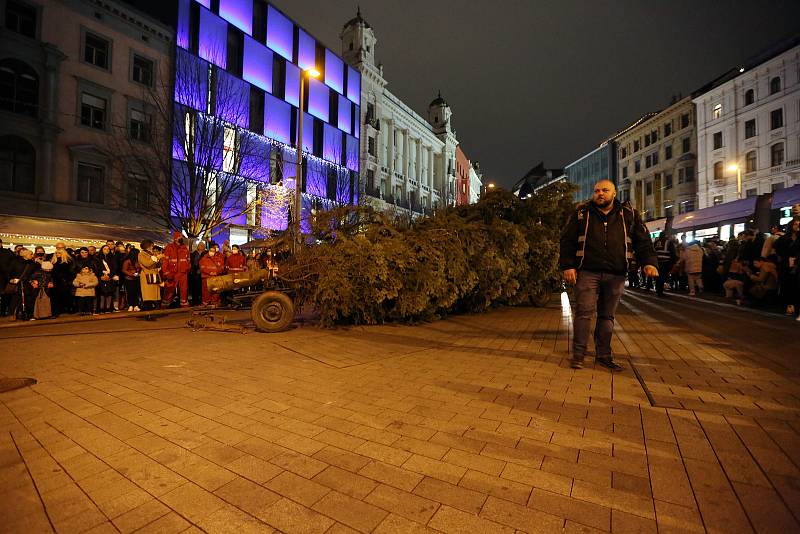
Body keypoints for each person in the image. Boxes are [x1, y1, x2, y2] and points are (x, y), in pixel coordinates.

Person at [560, 180, 658, 370]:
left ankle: (604, 354)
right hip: (587, 271)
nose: (600, 194)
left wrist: (649, 262)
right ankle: (578, 355)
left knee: (607, 316)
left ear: (614, 193)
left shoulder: (628, 214)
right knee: (584, 313)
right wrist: (568, 266)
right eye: (597, 190)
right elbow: (567, 241)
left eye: (605, 190)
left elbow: (643, 241)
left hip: (616, 273)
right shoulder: (582, 213)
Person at [774, 219, 799, 316]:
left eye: (799, 224)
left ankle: (795, 306)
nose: (797, 226)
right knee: (786, 284)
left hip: (797, 264)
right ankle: (787, 305)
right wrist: (783, 257)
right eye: (795, 224)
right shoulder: (784, 238)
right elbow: (776, 247)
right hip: (785, 264)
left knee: (796, 285)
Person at [161, 231, 191, 308]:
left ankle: (184, 304)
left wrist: (187, 268)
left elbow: (188, 260)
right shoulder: (169, 247)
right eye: (179, 237)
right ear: (175, 238)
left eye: (181, 237)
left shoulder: (185, 248)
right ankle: (165, 304)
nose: (180, 239)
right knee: (169, 289)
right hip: (172, 272)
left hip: (183, 272)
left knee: (184, 289)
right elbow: (165, 261)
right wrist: (167, 273)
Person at [50, 243, 74, 316]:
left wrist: (67, 280)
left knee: (65, 296)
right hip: (55, 281)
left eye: (59, 253)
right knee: (55, 297)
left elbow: (70, 272)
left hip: (64, 282)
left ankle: (67, 309)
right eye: (56, 253)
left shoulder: (68, 262)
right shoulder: (53, 262)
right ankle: (57, 311)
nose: (57, 254)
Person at [138, 240, 162, 311]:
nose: (152, 247)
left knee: (153, 295)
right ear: (147, 246)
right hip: (147, 276)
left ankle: (151, 311)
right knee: (148, 295)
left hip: (153, 276)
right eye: (151, 246)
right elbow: (147, 264)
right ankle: (147, 312)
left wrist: (159, 260)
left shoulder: (151, 254)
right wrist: (156, 258)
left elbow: (155, 264)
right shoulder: (141, 254)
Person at [653, 232, 677, 297]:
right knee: (662, 277)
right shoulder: (668, 242)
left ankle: (658, 290)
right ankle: (660, 292)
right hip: (665, 262)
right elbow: (673, 253)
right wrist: (673, 262)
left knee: (658, 277)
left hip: (657, 263)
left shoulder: (655, 243)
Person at [96, 244, 118, 313]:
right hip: (101, 278)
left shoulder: (112, 258)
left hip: (110, 278)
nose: (107, 250)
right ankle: (101, 308)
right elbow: (97, 269)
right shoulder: (98, 258)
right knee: (102, 293)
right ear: (102, 250)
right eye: (105, 249)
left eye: (108, 249)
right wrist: (101, 276)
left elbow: (115, 268)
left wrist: (110, 276)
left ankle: (108, 308)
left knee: (109, 292)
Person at [189, 241, 206, 306]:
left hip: (202, 272)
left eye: (202, 245)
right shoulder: (194, 254)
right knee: (194, 288)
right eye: (200, 245)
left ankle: (201, 300)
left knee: (201, 288)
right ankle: (194, 301)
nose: (201, 246)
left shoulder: (205, 254)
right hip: (194, 273)